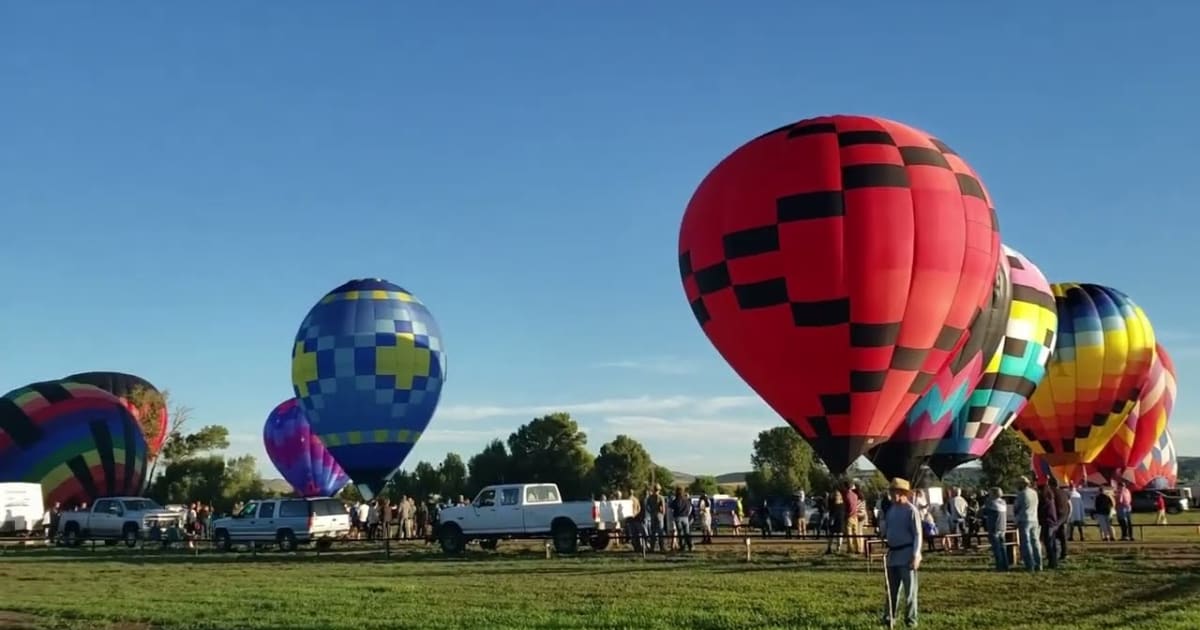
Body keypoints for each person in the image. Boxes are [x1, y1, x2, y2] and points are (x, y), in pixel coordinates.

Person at [880, 478, 921, 629]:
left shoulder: (911, 510)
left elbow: (918, 534)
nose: (892, 495)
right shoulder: (891, 510)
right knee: (891, 591)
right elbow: (888, 529)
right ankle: (889, 617)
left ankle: (911, 620)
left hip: (907, 554)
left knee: (910, 592)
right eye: (891, 491)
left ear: (903, 493)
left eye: (895, 492)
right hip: (893, 555)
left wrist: (916, 555)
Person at [1014, 476, 1041, 572]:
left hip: (1024, 519)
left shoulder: (1021, 494)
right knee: (1035, 542)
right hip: (1034, 518)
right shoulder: (1034, 493)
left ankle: (1030, 565)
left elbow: (1016, 507)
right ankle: (1039, 563)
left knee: (1026, 543)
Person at [981, 487, 1009, 571]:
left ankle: (999, 566)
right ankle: (1005, 565)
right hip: (1002, 527)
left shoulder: (991, 502)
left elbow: (982, 512)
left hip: (994, 527)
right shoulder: (1003, 502)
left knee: (996, 548)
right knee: (1002, 547)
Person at [1038, 482, 1059, 569]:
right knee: (1052, 543)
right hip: (1053, 523)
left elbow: (1042, 512)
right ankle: (1054, 561)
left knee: (1049, 543)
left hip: (1047, 523)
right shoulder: (1051, 500)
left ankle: (1052, 561)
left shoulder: (1045, 502)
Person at [670, 487, 693, 551]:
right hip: (685, 517)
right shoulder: (686, 500)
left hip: (678, 517)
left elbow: (671, 506)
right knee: (687, 532)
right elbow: (689, 508)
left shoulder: (676, 500)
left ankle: (682, 546)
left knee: (680, 533)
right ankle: (690, 545)